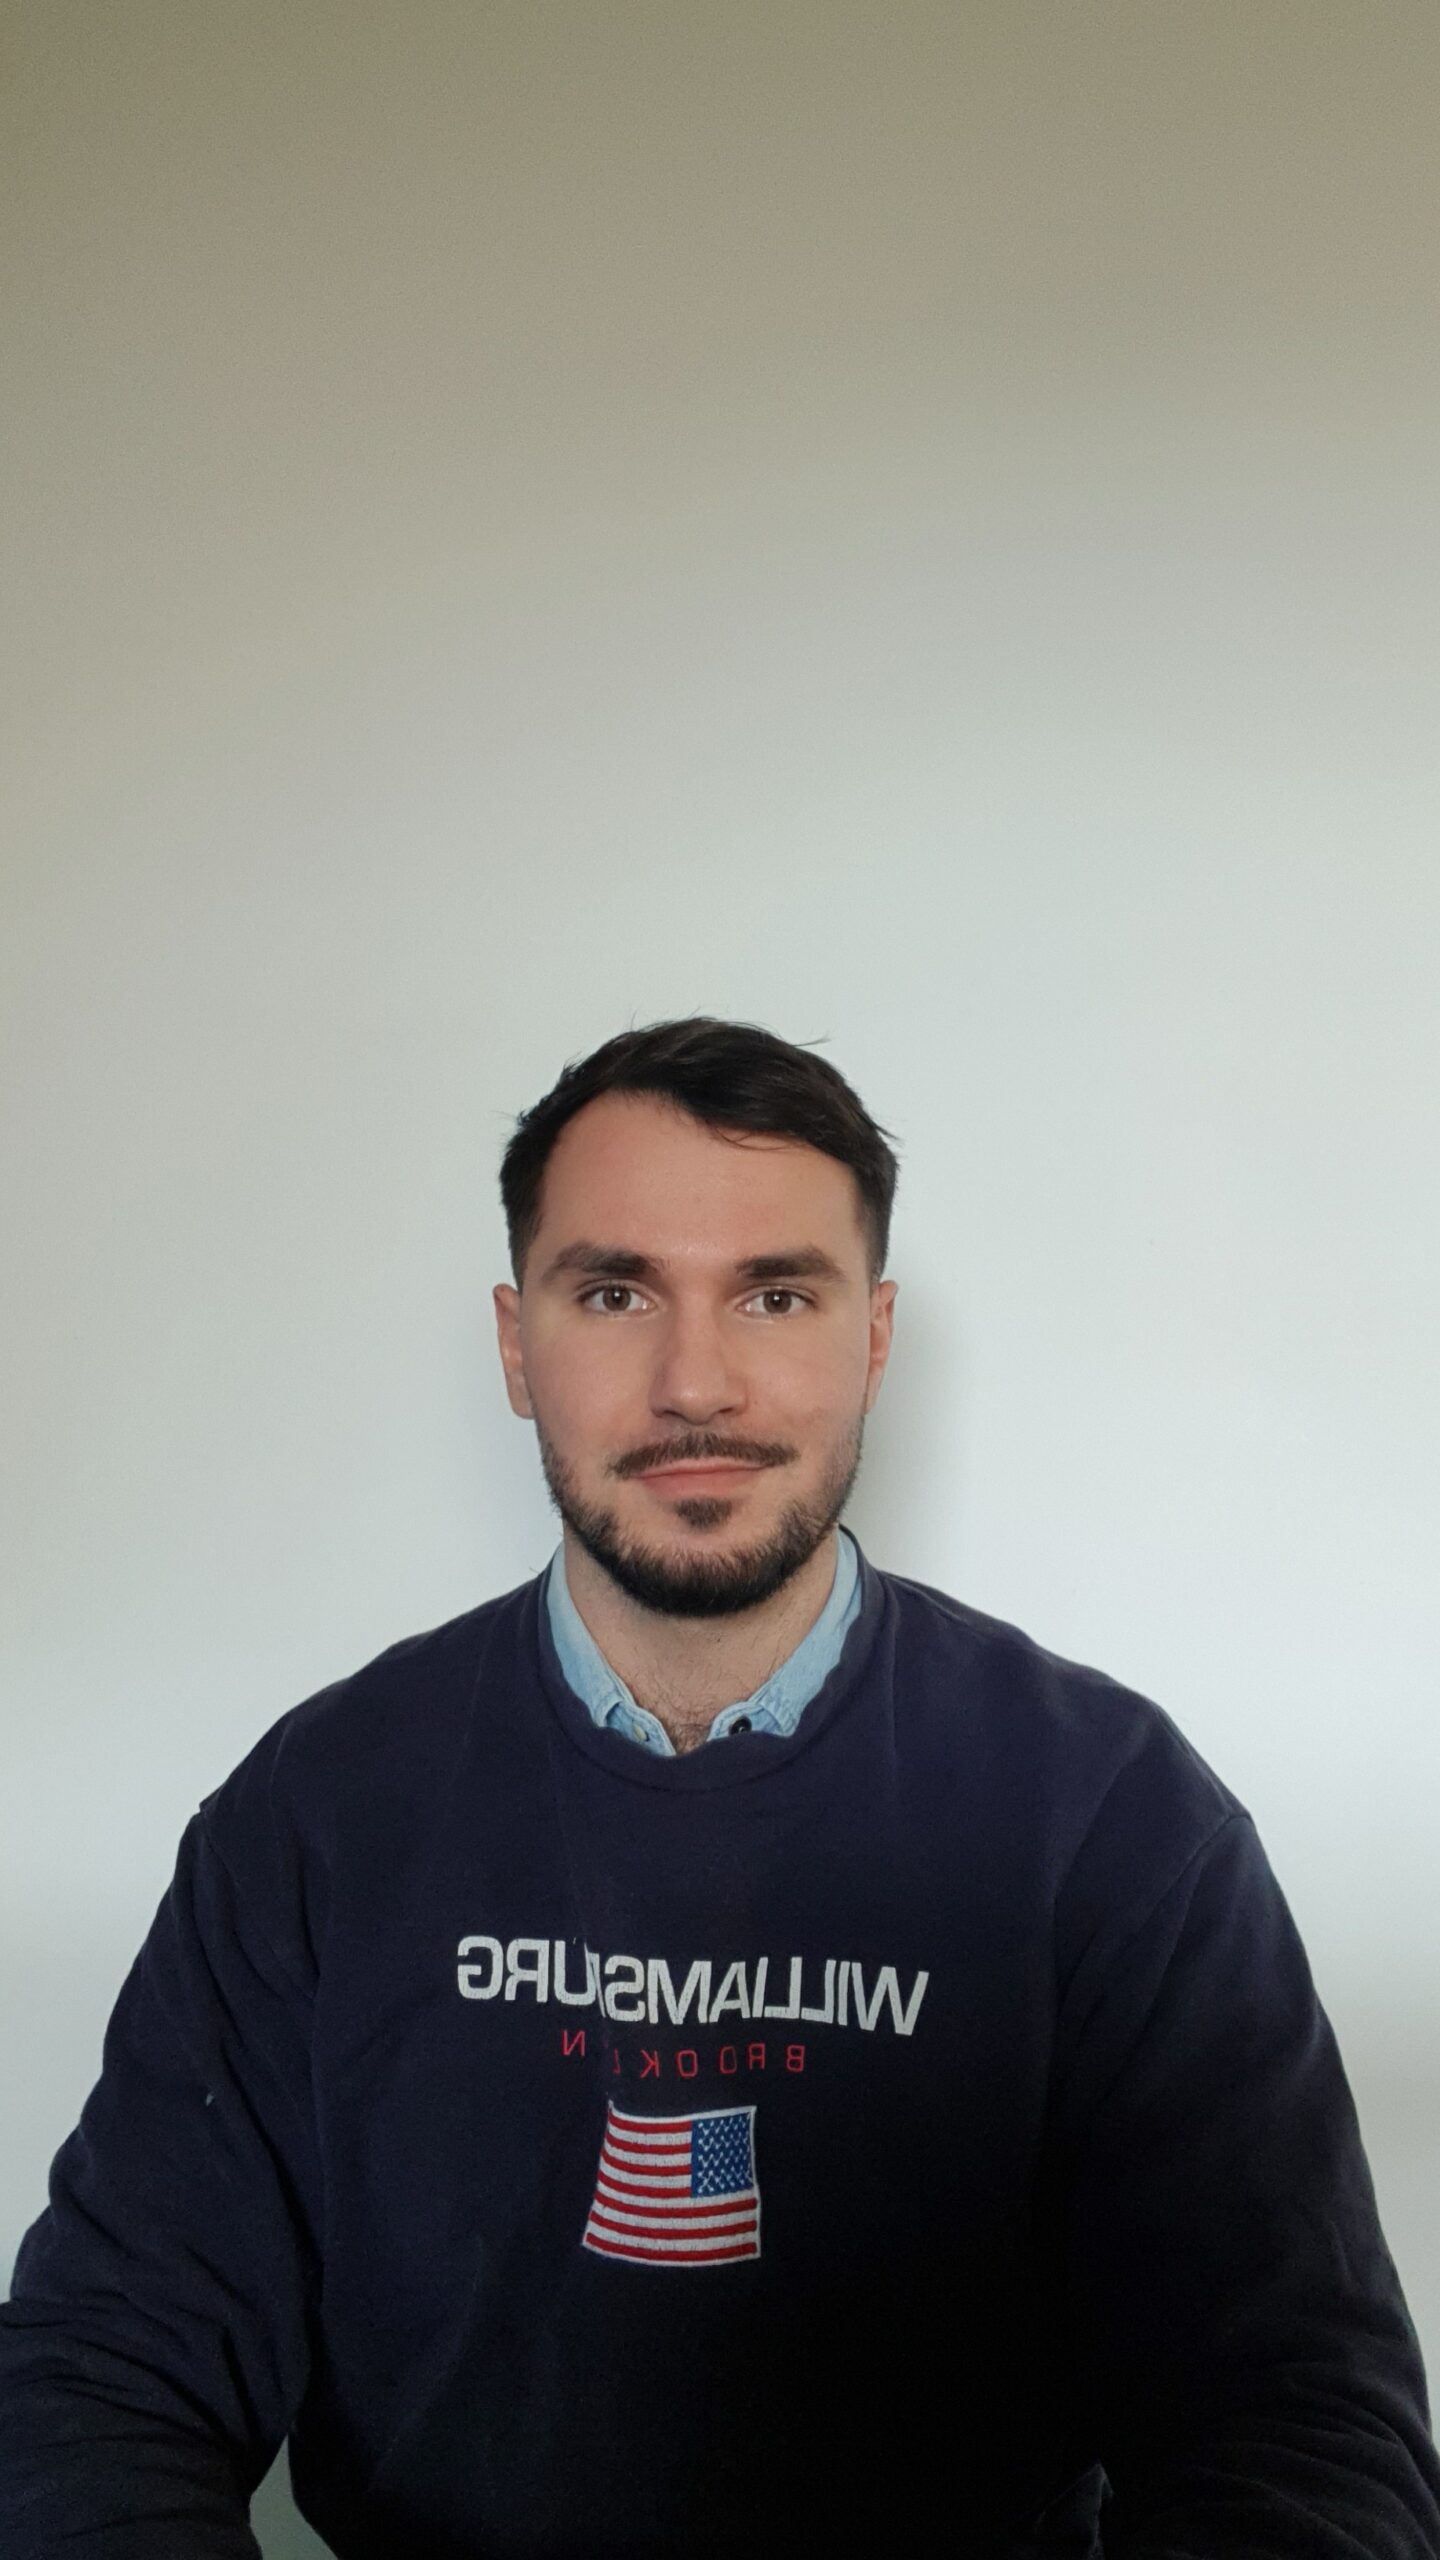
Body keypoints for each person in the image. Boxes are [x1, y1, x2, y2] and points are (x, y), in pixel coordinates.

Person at [2, 1015, 1437, 2560]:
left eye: (775, 1294)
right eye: (615, 1293)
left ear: (873, 1338)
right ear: (516, 1346)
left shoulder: (1115, 1819)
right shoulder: (318, 1814)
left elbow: (1301, 2425)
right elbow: (99, 2379)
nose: (696, 1384)